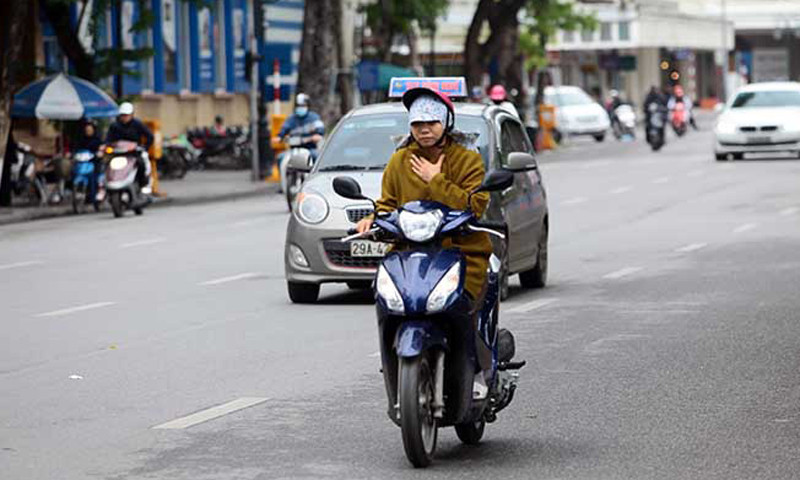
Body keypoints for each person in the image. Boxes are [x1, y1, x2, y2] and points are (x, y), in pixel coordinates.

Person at [355, 87, 492, 303]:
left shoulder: (468, 159)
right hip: (408, 252)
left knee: (463, 301)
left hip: (461, 250)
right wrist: (372, 219)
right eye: (418, 124)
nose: (424, 130)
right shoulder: (399, 161)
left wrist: (436, 180)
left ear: (446, 122)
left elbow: (475, 206)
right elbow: (387, 205)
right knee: (386, 296)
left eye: (432, 123)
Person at [106, 102, 154, 193]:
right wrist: (106, 146)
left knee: (142, 163)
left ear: (132, 115)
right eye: (123, 115)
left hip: (134, 153)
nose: (124, 117)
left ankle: (143, 184)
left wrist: (144, 147)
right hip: (118, 154)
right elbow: (108, 139)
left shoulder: (137, 124)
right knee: (107, 165)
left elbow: (149, 136)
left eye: (127, 115)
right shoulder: (114, 126)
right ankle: (105, 188)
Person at [277, 93, 324, 160]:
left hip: (309, 148)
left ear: (307, 106)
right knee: (281, 158)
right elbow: (284, 129)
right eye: (298, 106)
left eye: (303, 105)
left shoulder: (314, 118)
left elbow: (320, 131)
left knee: (316, 156)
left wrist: (317, 135)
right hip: (294, 149)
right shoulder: (291, 119)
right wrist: (280, 136)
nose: (300, 108)